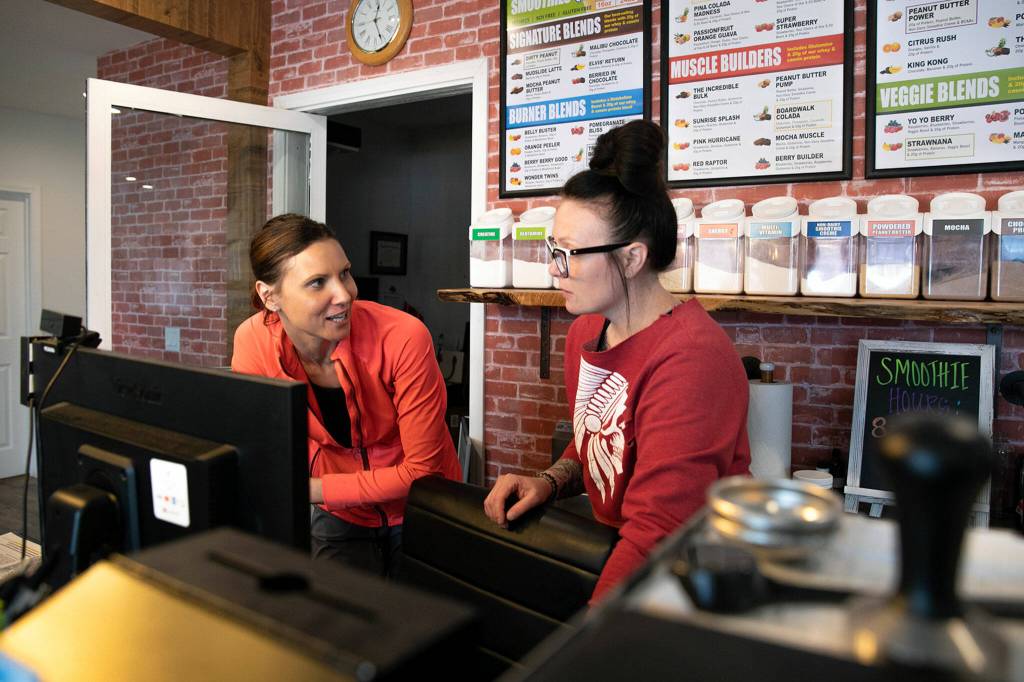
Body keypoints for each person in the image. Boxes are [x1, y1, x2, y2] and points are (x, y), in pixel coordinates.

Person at [483, 120, 751, 603]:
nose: (552, 268)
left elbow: (660, 530)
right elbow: (598, 438)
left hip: (692, 578)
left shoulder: (692, 360)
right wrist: (550, 481)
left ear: (632, 258)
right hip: (625, 555)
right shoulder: (588, 330)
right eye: (552, 250)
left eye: (568, 253)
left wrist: (587, 642)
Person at [232, 214, 461, 577]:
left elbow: (422, 472)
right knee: (341, 627)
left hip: (423, 506)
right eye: (317, 282)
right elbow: (264, 449)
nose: (345, 294)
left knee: (428, 626)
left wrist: (310, 489)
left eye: (345, 273)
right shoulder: (252, 341)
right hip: (339, 512)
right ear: (269, 295)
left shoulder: (402, 336)